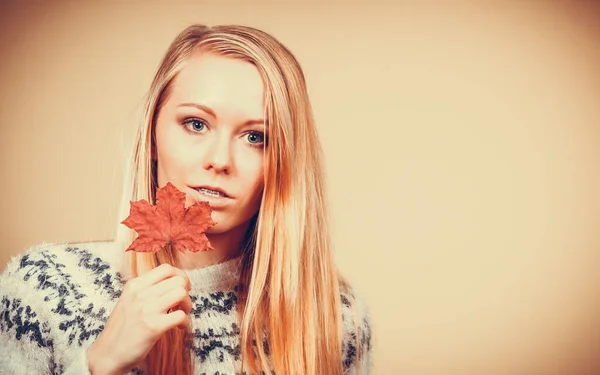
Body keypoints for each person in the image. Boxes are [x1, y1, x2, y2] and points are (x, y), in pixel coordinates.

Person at [0, 24, 372, 375]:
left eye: (256, 138)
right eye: (196, 124)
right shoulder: (46, 286)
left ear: (284, 162)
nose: (220, 160)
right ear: (153, 137)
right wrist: (100, 362)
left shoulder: (335, 316)